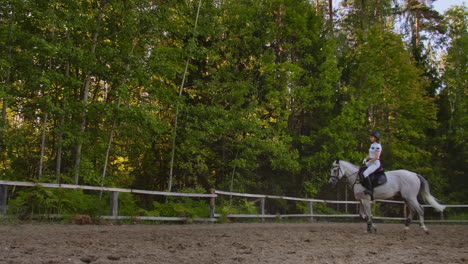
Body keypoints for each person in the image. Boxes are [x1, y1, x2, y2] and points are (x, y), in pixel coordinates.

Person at [361, 131, 382, 196]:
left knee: (365, 173)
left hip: (375, 163)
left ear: (376, 138)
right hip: (371, 162)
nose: (370, 138)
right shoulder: (372, 145)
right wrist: (365, 159)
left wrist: (369, 162)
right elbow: (370, 155)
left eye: (372, 137)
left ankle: (370, 190)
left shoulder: (378, 146)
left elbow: (376, 157)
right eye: (370, 137)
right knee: (361, 170)